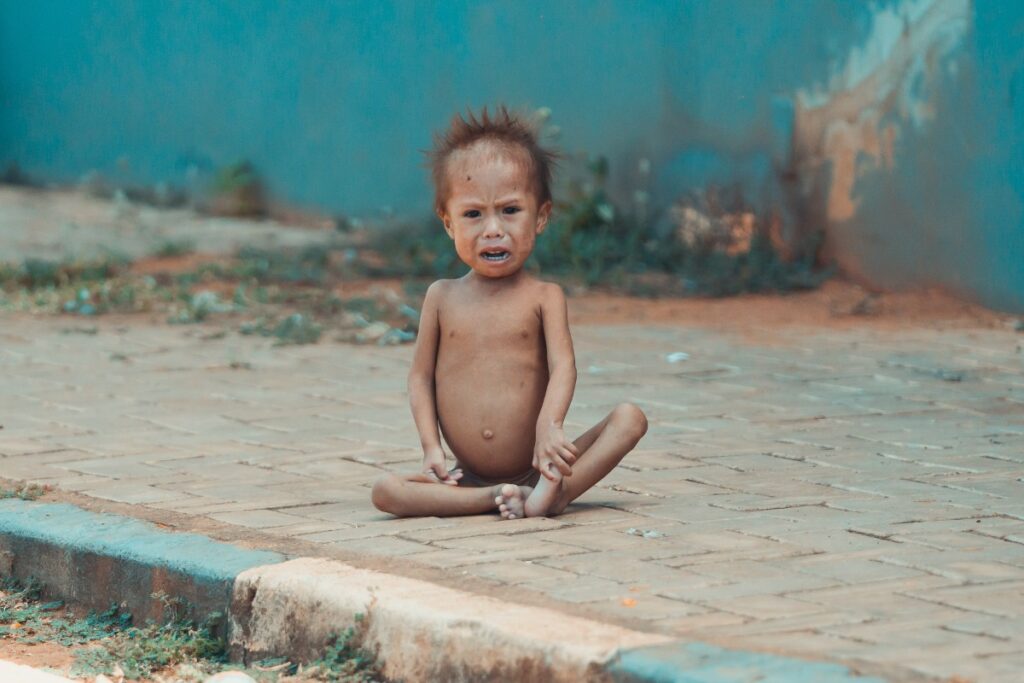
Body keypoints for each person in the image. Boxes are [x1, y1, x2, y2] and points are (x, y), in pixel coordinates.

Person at [371, 106, 647, 519]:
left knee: (630, 418)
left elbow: (563, 367)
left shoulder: (544, 297)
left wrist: (549, 427)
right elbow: (420, 377)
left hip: (540, 467)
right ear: (448, 223)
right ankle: (492, 498)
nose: (493, 229)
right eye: (473, 214)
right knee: (385, 491)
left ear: (541, 216)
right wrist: (431, 447)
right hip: (465, 476)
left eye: (510, 210)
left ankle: (557, 492)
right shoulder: (441, 297)